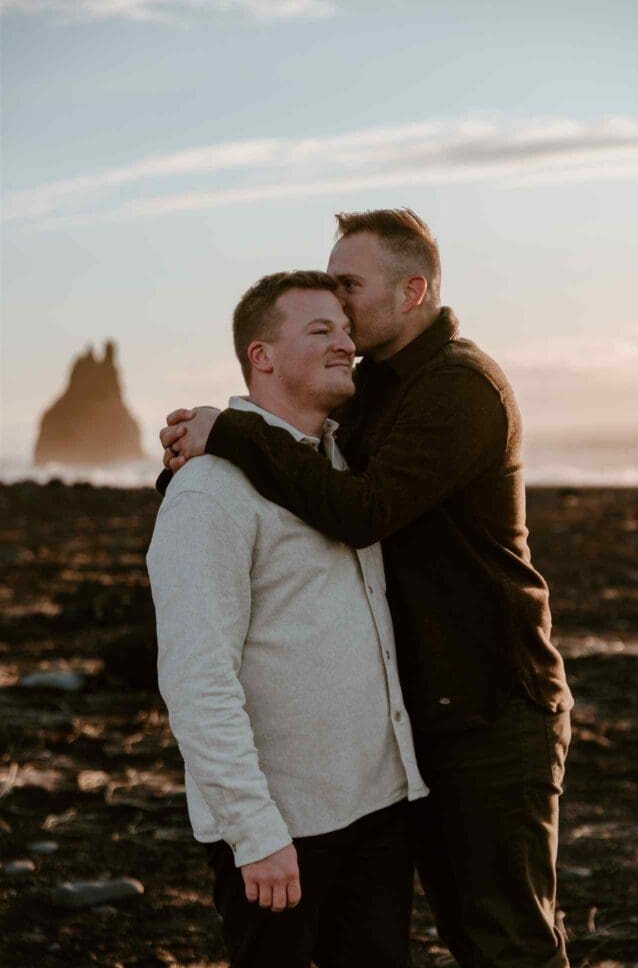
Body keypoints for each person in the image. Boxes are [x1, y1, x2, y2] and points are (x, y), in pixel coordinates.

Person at [159, 209, 574, 968]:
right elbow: (280, 486)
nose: (342, 318)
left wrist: (230, 433)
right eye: (324, 318)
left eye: (349, 290)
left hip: (492, 710)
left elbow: (363, 513)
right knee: (466, 930)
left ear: (413, 289)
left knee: (508, 942)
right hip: (415, 735)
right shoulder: (368, 393)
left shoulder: (459, 387)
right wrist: (202, 467)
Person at [148, 270, 428, 968]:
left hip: (377, 809)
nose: (347, 345)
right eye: (320, 331)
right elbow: (197, 677)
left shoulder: (340, 465)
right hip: (285, 828)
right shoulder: (211, 492)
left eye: (345, 329)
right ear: (260, 356)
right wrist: (255, 832)